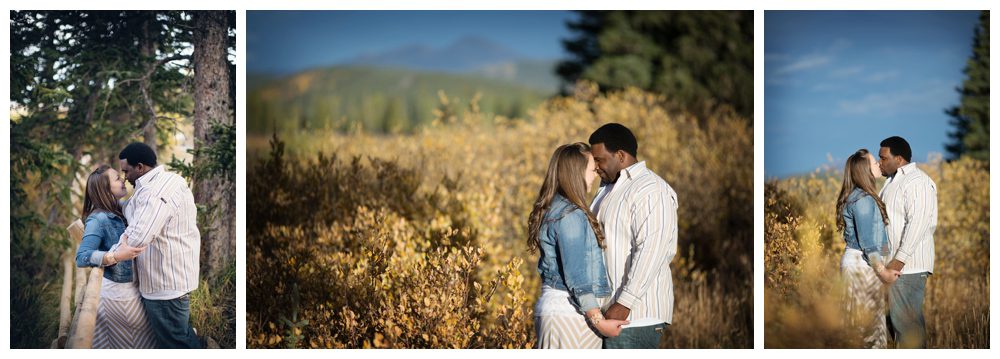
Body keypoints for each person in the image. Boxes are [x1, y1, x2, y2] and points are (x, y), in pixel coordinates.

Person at [528, 142, 629, 348]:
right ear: (577, 173)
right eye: (592, 170)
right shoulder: (570, 215)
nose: (595, 175)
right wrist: (599, 323)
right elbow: (577, 277)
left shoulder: (556, 208)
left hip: (562, 313)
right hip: (568, 315)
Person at [588, 123, 677, 349]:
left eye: (600, 160)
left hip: (634, 318)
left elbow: (652, 249)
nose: (595, 166)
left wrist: (624, 303)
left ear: (620, 155)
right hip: (609, 317)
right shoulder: (607, 188)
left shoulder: (650, 189)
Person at [118, 142, 203, 348]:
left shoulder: (156, 191)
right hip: (171, 277)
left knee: (174, 343)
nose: (124, 177)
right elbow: (131, 209)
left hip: (165, 283)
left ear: (140, 167)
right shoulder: (159, 183)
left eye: (126, 171)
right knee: (179, 335)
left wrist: (111, 254)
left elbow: (139, 237)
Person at [75, 164, 156, 348]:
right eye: (117, 178)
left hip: (134, 289)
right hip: (118, 295)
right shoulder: (98, 219)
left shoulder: (120, 208)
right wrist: (115, 256)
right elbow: (82, 257)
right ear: (105, 189)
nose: (124, 179)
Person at [877, 136, 937, 348]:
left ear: (899, 159)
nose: (879, 162)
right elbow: (887, 226)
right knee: (894, 328)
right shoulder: (892, 181)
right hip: (892, 267)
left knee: (908, 329)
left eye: (883, 158)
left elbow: (918, 223)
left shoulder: (917, 181)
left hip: (907, 268)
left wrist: (899, 260)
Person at [835, 149, 898, 348]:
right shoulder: (862, 199)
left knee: (861, 326)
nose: (879, 164)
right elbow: (868, 244)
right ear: (865, 170)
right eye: (873, 162)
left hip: (859, 263)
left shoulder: (861, 196)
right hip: (861, 264)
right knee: (867, 329)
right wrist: (884, 273)